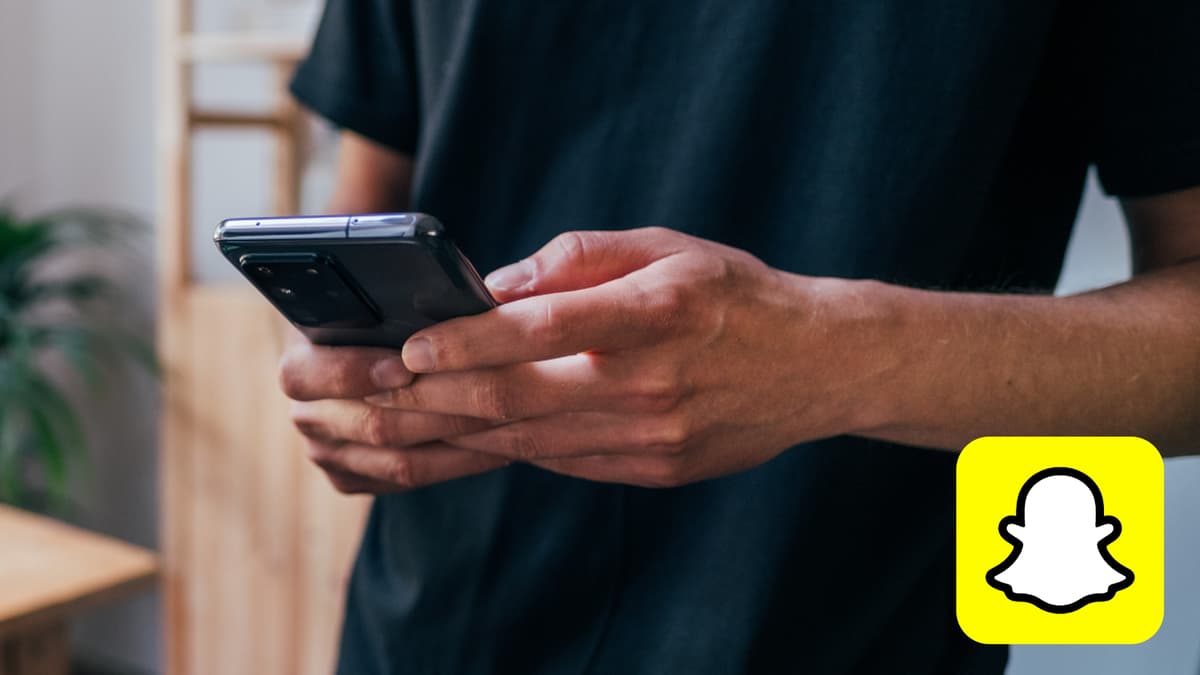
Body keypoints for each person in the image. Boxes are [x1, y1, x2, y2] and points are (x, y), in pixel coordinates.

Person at [279, 1, 1200, 672]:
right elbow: (368, 205)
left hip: (856, 633)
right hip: (427, 631)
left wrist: (831, 356)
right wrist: (346, 378)